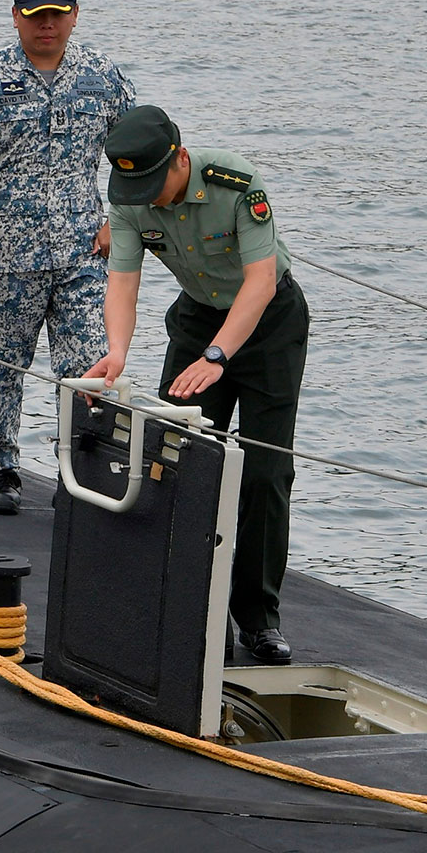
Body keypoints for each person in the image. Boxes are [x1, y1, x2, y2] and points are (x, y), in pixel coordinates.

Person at [85, 105, 309, 666]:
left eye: (155, 185)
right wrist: (117, 352)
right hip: (198, 317)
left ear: (180, 159)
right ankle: (186, 607)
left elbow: (261, 281)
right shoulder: (130, 199)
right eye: (138, 189)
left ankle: (257, 618)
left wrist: (219, 355)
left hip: (268, 324)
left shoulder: (235, 184)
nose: (149, 199)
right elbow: (123, 283)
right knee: (175, 457)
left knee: (264, 470)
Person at [0, 0, 136, 514]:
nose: (47, 26)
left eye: (57, 15)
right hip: (7, 255)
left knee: (90, 367)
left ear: (75, 16)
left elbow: (136, 155)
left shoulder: (102, 76)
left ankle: (81, 473)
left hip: (85, 251)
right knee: (1, 366)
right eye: (36, 16)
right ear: (16, 17)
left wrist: (119, 221)